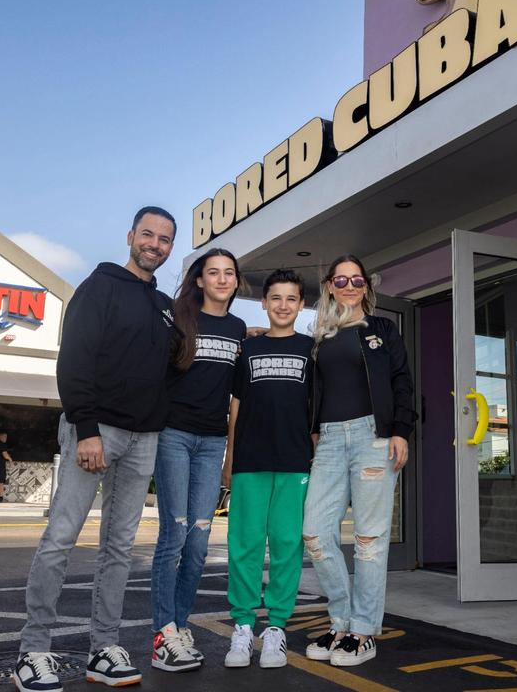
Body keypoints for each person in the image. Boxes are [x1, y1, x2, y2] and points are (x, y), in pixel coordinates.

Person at [14, 206, 177, 692]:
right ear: (130, 236)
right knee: (61, 537)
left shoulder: (165, 306)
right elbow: (75, 358)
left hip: (144, 438)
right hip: (97, 430)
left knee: (119, 548)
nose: (154, 244)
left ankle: (103, 648)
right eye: (147, 234)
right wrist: (86, 428)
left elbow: (175, 364)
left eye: (164, 239)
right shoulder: (99, 286)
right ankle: (32, 651)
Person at [301, 255, 415, 667]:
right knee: (314, 533)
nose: (349, 286)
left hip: (373, 438)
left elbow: (402, 380)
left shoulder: (382, 330)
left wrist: (401, 430)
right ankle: (341, 620)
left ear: (366, 286)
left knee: (368, 540)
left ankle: (363, 631)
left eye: (357, 280)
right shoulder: (320, 337)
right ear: (330, 286)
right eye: (341, 280)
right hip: (331, 441)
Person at [149, 249, 246, 672]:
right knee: (174, 535)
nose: (222, 279)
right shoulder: (178, 318)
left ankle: (180, 627)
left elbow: (237, 391)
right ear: (200, 280)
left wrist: (230, 454)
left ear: (236, 281)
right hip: (173, 435)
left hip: (211, 441)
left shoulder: (238, 328)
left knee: (199, 542)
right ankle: (162, 636)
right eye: (213, 272)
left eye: (229, 273)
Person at [223, 269, 315, 670]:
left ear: (301, 305)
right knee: (244, 544)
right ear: (263, 303)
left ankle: (276, 627)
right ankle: (243, 626)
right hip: (251, 459)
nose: (283, 305)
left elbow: (315, 409)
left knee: (286, 543)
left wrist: (315, 457)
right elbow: (236, 404)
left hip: (295, 460)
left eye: (291, 298)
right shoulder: (248, 350)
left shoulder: (312, 350)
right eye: (275, 297)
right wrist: (230, 456)